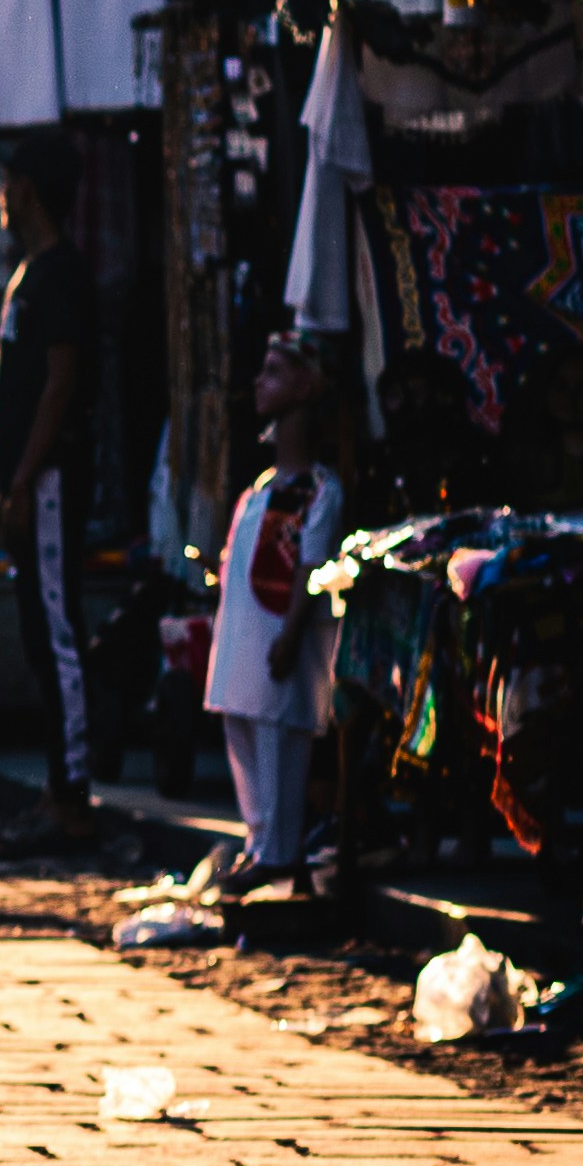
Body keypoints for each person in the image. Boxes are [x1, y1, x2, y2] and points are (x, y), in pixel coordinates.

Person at [201, 332, 348, 887]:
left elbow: (310, 569)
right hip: (243, 642)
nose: (260, 384)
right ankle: (259, 842)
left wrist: (290, 634)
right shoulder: (260, 489)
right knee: (243, 737)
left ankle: (280, 852)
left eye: (275, 372)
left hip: (281, 646)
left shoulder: (319, 489)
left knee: (279, 742)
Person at [0, 137, 99, 837]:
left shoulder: (60, 276)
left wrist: (25, 478)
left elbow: (60, 384)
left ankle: (72, 788)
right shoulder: (31, 272)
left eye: (7, 181)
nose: (1, 194)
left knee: (57, 628)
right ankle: (60, 785)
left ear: (27, 189)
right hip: (29, 483)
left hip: (51, 479)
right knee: (38, 626)